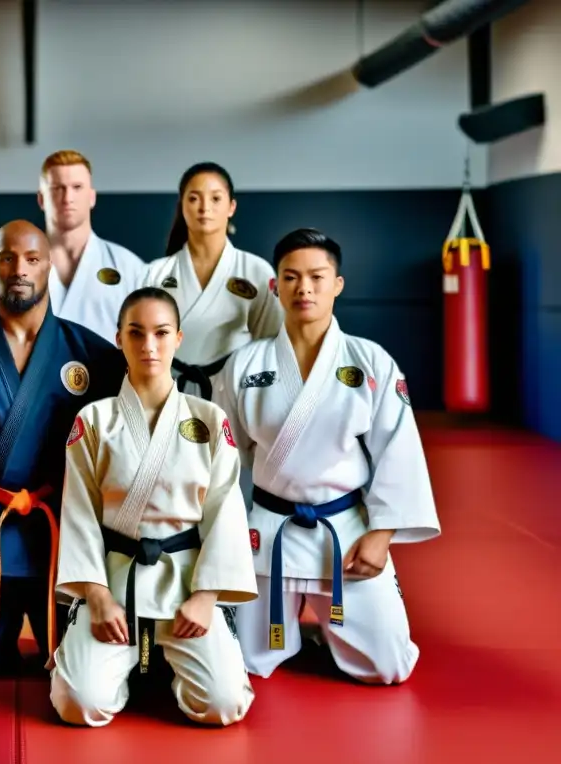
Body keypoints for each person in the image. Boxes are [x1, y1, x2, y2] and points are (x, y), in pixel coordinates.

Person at [215, 228, 441, 684]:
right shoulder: (244, 365)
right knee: (243, 664)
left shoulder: (370, 362)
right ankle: (297, 631)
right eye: (292, 277)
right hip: (267, 535)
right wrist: (226, 536)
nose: (305, 288)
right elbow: (224, 460)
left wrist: (382, 534)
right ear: (276, 286)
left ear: (337, 284)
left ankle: (321, 631)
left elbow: (400, 452)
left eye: (318, 277)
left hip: (345, 537)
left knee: (389, 667)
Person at [0, 220, 128, 676]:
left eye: (32, 259)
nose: (19, 269)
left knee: (80, 668)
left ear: (50, 266)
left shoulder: (95, 358)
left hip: (61, 539)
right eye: (7, 258)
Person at [49, 287, 258, 727]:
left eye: (161, 333)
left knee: (223, 705)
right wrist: (97, 596)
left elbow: (226, 513)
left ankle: (169, 658)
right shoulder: (94, 420)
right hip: (115, 579)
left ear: (178, 338)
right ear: (119, 338)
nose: (149, 345)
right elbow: (78, 512)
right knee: (78, 703)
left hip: (186, 581)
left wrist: (206, 597)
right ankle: (126, 664)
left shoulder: (208, 419)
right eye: (136, 333)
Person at [143, 162, 283, 402]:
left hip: (235, 395)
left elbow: (272, 347)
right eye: (194, 198)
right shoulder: (156, 272)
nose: (204, 208)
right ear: (182, 206)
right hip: (168, 392)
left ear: (231, 207)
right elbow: (139, 344)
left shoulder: (256, 271)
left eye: (215, 199)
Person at [39, 150, 148, 343]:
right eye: (57, 188)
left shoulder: (129, 267)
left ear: (92, 197)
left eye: (77, 187)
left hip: (110, 372)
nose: (67, 198)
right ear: (41, 199)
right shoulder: (18, 269)